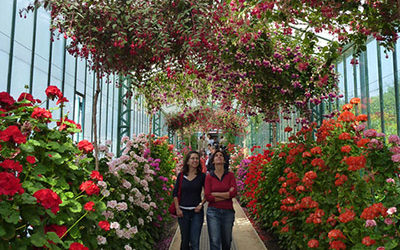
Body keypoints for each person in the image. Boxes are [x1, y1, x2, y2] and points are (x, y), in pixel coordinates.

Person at [173, 151, 207, 250]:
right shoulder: (181, 176)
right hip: (183, 213)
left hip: (197, 212)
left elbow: (207, 193)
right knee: (185, 240)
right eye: (192, 158)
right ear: (187, 161)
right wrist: (177, 209)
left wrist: (201, 204)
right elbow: (175, 193)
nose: (195, 160)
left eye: (197, 158)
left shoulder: (202, 176)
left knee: (195, 241)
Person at [204, 149, 237, 250]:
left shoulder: (230, 175)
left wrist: (215, 194)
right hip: (213, 212)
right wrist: (227, 194)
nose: (219, 157)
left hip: (228, 211)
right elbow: (208, 196)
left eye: (221, 155)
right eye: (216, 155)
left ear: (224, 160)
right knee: (214, 241)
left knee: (227, 241)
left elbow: (233, 193)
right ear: (213, 161)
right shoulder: (209, 177)